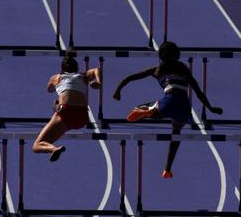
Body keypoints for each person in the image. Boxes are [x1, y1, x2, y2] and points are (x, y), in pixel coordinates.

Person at [113, 41, 223, 178]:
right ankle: (167, 169)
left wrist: (118, 90)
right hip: (184, 108)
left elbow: (129, 78)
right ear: (176, 53)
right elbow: (198, 91)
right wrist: (210, 108)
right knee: (176, 134)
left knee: (151, 109)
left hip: (169, 102)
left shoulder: (156, 70)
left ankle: (149, 111)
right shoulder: (183, 68)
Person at [33, 52, 102, 162]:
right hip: (82, 117)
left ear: (62, 69)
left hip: (66, 113)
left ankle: (54, 149)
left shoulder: (56, 78)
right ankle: (54, 147)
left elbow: (49, 89)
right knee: (58, 108)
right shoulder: (83, 76)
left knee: (36, 146)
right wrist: (98, 82)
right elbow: (97, 69)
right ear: (77, 68)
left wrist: (56, 105)